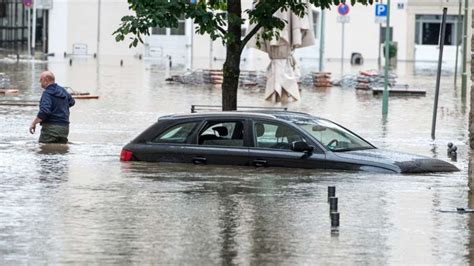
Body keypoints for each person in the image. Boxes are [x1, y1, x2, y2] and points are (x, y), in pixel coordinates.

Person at [29, 71, 75, 143]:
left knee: (44, 151)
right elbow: (72, 102)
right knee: (60, 151)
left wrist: (33, 123)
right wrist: (60, 108)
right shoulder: (63, 90)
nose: (40, 82)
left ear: (46, 80)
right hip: (64, 128)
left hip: (50, 128)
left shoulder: (47, 93)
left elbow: (44, 111)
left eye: (41, 80)